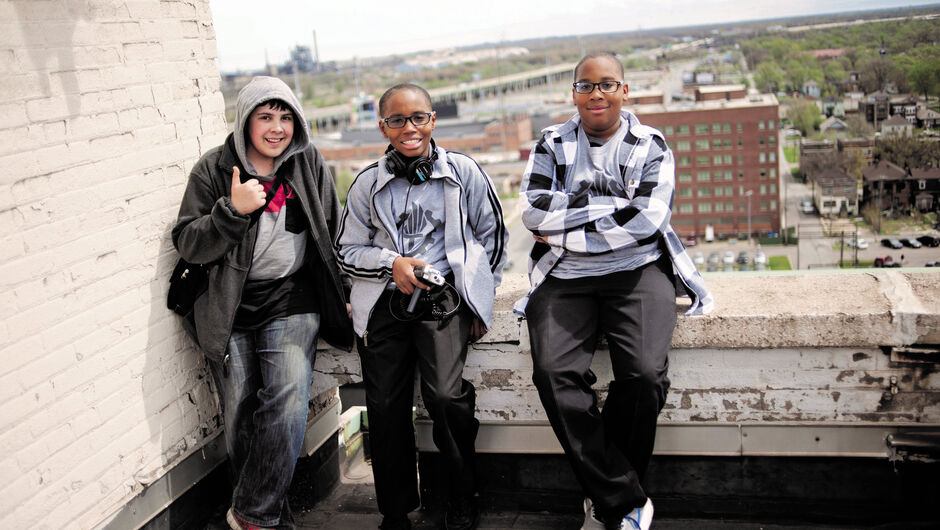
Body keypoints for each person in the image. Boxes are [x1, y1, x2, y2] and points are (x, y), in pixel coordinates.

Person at [514, 52, 714, 530]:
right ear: (574, 93)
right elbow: (534, 213)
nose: (596, 94)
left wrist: (570, 217)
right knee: (553, 373)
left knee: (645, 376)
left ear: (625, 91)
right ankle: (624, 500)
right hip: (565, 275)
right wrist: (608, 208)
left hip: (637, 272)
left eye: (607, 84)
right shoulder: (551, 142)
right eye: (586, 86)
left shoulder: (651, 145)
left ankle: (606, 499)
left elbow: (647, 222)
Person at [172, 76, 353, 530]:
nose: (277, 128)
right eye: (265, 117)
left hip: (293, 298)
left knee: (287, 396)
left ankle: (250, 515)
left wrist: (346, 292)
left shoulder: (306, 161)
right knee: (241, 420)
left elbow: (332, 228)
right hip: (229, 305)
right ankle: (271, 520)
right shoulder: (213, 169)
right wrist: (232, 211)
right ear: (245, 121)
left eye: (286, 117)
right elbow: (188, 244)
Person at [335, 83, 508, 530]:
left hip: (442, 303)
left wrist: (476, 303)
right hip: (385, 305)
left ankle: (461, 496)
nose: (408, 128)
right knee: (386, 406)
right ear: (382, 127)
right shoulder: (367, 183)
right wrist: (389, 263)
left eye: (417, 118)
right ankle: (395, 511)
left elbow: (493, 240)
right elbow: (346, 250)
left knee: (446, 397)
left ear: (432, 120)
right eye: (397, 120)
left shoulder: (464, 173)